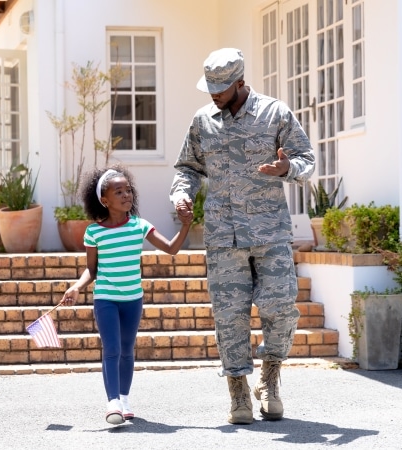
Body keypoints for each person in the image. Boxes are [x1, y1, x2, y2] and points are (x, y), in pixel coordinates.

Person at [169, 48, 315, 425]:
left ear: (239, 82)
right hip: (222, 235)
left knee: (281, 307)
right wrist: (181, 194)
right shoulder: (203, 121)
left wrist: (287, 168)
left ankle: (269, 380)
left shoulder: (275, 113)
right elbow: (187, 167)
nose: (214, 93)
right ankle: (237, 392)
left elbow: (307, 160)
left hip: (270, 232)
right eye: (210, 87)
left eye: (221, 87)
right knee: (229, 317)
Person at [61, 164, 193, 425]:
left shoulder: (139, 226)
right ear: (104, 200)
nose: (126, 195)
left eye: (128, 190)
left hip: (133, 299)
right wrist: (76, 287)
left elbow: (171, 248)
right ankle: (112, 403)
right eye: (118, 191)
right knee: (111, 349)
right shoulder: (94, 232)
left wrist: (186, 225)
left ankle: (124, 398)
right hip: (106, 299)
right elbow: (92, 269)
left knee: (127, 349)